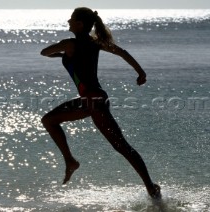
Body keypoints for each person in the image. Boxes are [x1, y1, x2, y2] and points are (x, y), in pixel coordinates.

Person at [40, 7, 161, 199]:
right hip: (93, 99)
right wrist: (140, 73)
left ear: (79, 24)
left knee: (120, 145)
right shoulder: (95, 43)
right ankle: (150, 187)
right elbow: (122, 52)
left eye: (71, 19)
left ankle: (150, 186)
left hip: (91, 100)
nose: (68, 21)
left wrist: (62, 52)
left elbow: (44, 52)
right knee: (50, 120)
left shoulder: (68, 44)